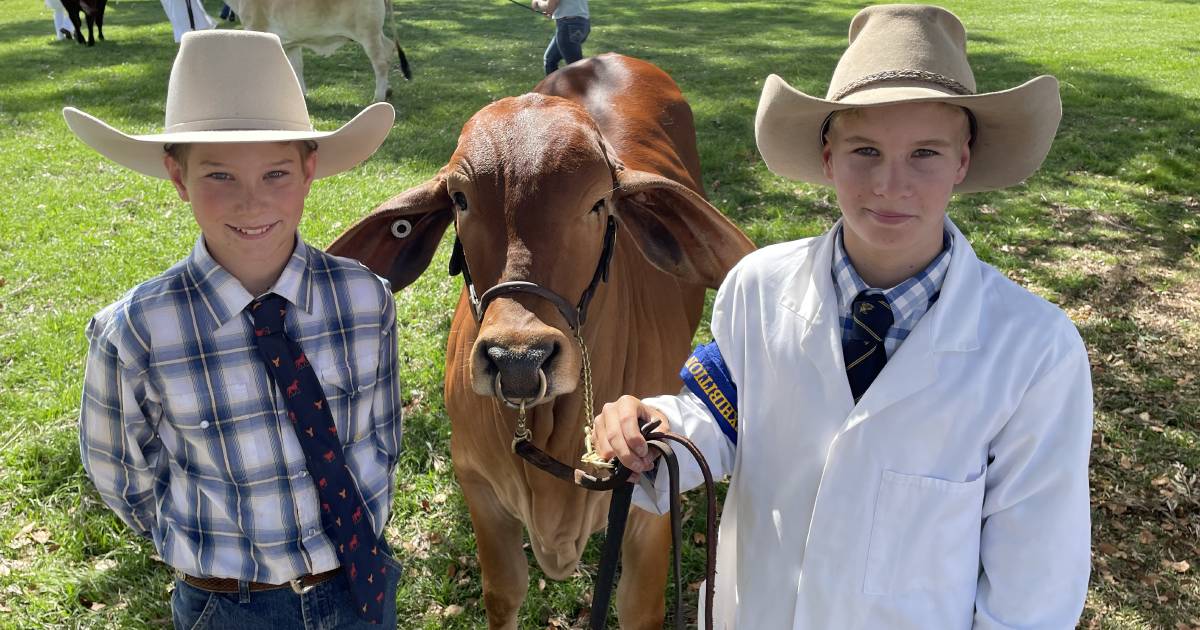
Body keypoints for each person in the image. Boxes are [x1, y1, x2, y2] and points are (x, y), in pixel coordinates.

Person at [593, 5, 1093, 629]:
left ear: (963, 162)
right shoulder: (758, 287)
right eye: (865, 150)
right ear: (827, 157)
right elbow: (722, 414)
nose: (890, 184)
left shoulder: (1035, 352)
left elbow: (1034, 582)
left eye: (925, 154)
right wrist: (656, 427)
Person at [67, 30, 403, 629]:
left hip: (358, 586)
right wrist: (202, 541)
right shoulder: (137, 331)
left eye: (276, 173)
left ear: (308, 169)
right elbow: (118, 469)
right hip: (229, 604)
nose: (252, 204)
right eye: (220, 176)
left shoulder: (363, 299)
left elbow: (382, 434)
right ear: (177, 176)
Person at [531, 0, 590, 75]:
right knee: (550, 60)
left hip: (569, 26)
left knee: (576, 69)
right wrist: (552, 11)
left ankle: (591, 85)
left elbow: (550, 6)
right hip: (583, 23)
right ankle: (554, 86)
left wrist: (537, 2)